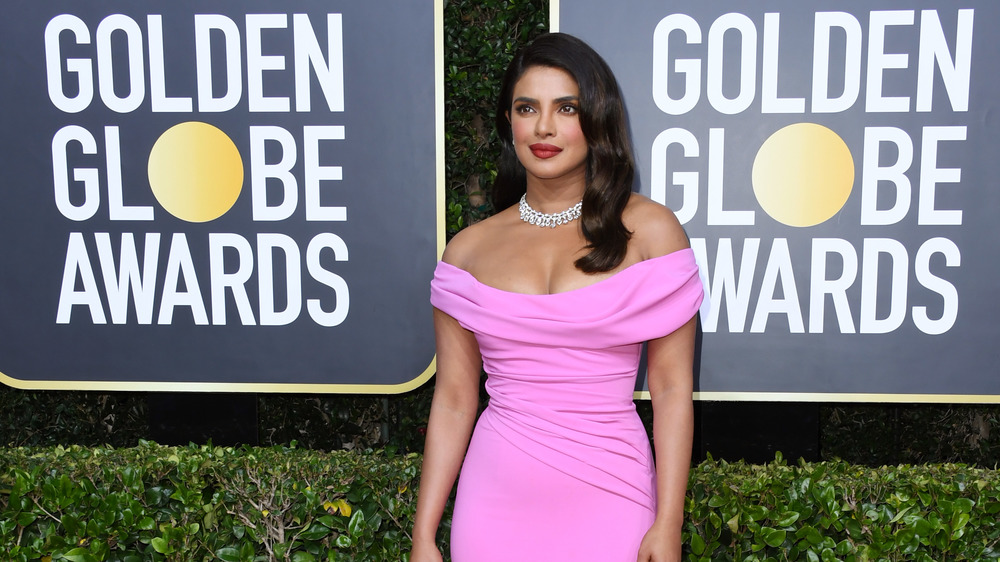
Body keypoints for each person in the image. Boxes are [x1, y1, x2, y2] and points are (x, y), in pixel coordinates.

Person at [410, 33, 703, 562]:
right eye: (528, 108)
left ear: (596, 119)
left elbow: (671, 385)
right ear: (509, 121)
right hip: (493, 500)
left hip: (613, 492)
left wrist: (669, 520)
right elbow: (454, 399)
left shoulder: (650, 231)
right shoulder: (467, 251)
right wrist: (424, 534)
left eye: (565, 108)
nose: (544, 127)